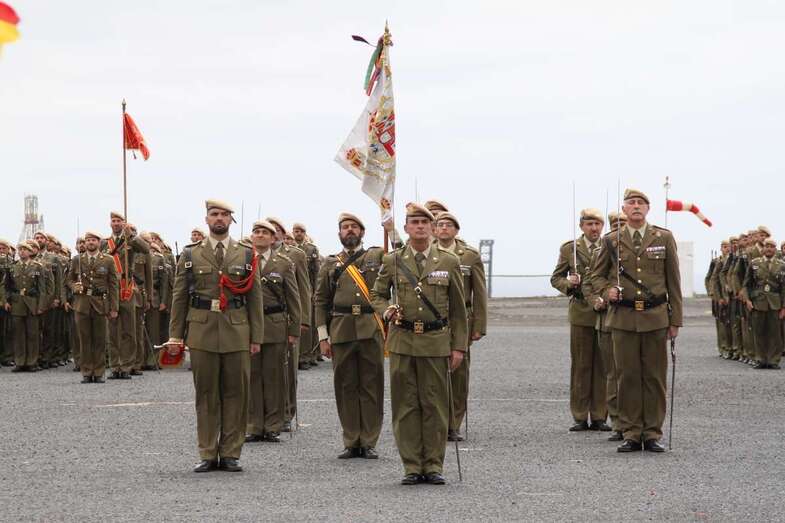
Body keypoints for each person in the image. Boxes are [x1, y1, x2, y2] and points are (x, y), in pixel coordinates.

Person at [371, 203, 468, 485]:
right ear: (406, 228)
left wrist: (458, 347)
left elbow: (458, 310)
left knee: (435, 404)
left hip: (435, 342)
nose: (420, 227)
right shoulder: (393, 260)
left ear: (433, 228)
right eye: (414, 222)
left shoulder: (448, 261)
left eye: (425, 222)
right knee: (405, 405)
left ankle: (434, 465)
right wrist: (386, 310)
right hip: (403, 341)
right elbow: (376, 295)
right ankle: (412, 466)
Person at [167, 199, 264, 473]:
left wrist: (256, 337)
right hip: (202, 330)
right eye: (214, 214)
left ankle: (231, 453)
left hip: (236, 330)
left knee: (237, 394)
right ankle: (208, 452)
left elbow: (255, 298)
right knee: (206, 394)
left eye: (224, 215)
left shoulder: (246, 254)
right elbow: (179, 296)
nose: (219, 218)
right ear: (206, 219)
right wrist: (175, 336)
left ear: (231, 220)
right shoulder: (190, 254)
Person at [588, 188, 682, 453]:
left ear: (648, 208)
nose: (636, 206)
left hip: (655, 317)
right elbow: (596, 276)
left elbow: (673, 281)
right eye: (631, 203)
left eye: (641, 203)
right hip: (624, 318)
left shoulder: (663, 237)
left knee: (654, 378)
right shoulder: (611, 240)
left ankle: (651, 433)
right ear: (624, 209)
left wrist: (675, 320)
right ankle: (631, 432)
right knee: (627, 377)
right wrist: (607, 290)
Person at [314, 213, 385, 459]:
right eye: (345, 227)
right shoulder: (330, 263)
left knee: (371, 386)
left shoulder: (376, 256)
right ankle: (351, 439)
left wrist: (391, 229)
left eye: (354, 226)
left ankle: (369, 440)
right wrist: (323, 336)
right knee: (345, 387)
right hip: (341, 329)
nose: (350, 230)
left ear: (362, 232)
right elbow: (321, 300)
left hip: (370, 328)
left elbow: (399, 257)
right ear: (339, 233)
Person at [551, 208, 609, 432]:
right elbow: (556, 278)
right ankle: (579, 415)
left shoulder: (610, 245)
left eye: (597, 224)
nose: (594, 228)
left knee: (602, 366)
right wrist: (569, 283)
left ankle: (600, 415)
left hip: (604, 310)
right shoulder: (570, 249)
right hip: (581, 311)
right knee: (581, 365)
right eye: (589, 224)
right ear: (581, 226)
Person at [433, 211, 487, 442]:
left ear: (456, 230)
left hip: (462, 319)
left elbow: (479, 292)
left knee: (458, 374)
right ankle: (435, 422)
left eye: (449, 225)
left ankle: (453, 424)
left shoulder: (470, 256)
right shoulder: (427, 253)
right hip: (434, 319)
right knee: (433, 374)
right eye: (440, 224)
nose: (444, 228)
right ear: (435, 230)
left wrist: (479, 325)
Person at [245, 219, 300, 444]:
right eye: (256, 232)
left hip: (275, 324)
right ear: (252, 236)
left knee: (274, 376)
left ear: (272, 238)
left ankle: (272, 425)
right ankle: (254, 425)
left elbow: (293, 298)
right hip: (248, 326)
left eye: (265, 233)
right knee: (252, 376)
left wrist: (294, 329)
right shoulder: (243, 260)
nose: (260, 235)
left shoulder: (283, 263)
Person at [102, 211, 151, 380]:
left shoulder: (131, 241)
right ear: (110, 224)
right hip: (111, 289)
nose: (116, 223)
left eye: (119, 221)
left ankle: (127, 365)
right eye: (114, 221)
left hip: (127, 287)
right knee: (113, 331)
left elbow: (146, 250)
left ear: (124, 223)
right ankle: (115, 365)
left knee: (129, 330)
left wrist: (132, 236)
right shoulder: (104, 243)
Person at [68, 231, 119, 383]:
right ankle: (86, 372)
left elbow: (113, 284)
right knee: (84, 339)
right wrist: (74, 286)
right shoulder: (77, 260)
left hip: (100, 303)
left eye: (93, 240)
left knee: (100, 339)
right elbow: (69, 279)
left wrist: (114, 307)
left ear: (98, 242)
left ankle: (98, 372)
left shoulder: (108, 260)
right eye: (88, 240)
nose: (90, 242)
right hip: (82, 304)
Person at [2, 241, 51, 372]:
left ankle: (32, 362)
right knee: (18, 334)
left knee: (32, 334)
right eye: (20, 249)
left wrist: (41, 305)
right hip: (17, 303)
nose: (22, 251)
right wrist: (6, 301)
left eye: (25, 249)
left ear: (30, 252)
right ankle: (20, 362)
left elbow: (42, 289)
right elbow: (6, 286)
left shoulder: (38, 267)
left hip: (32, 303)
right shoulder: (12, 267)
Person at [741, 238, 785, 369]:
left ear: (775, 249)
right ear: (763, 248)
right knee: (758, 332)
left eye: (772, 247)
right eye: (767, 246)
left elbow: (784, 288)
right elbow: (746, 284)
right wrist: (747, 300)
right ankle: (760, 359)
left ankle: (773, 360)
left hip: (775, 303)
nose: (769, 249)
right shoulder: (754, 263)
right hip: (758, 302)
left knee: (775, 334)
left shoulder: (781, 265)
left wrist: (784, 307)